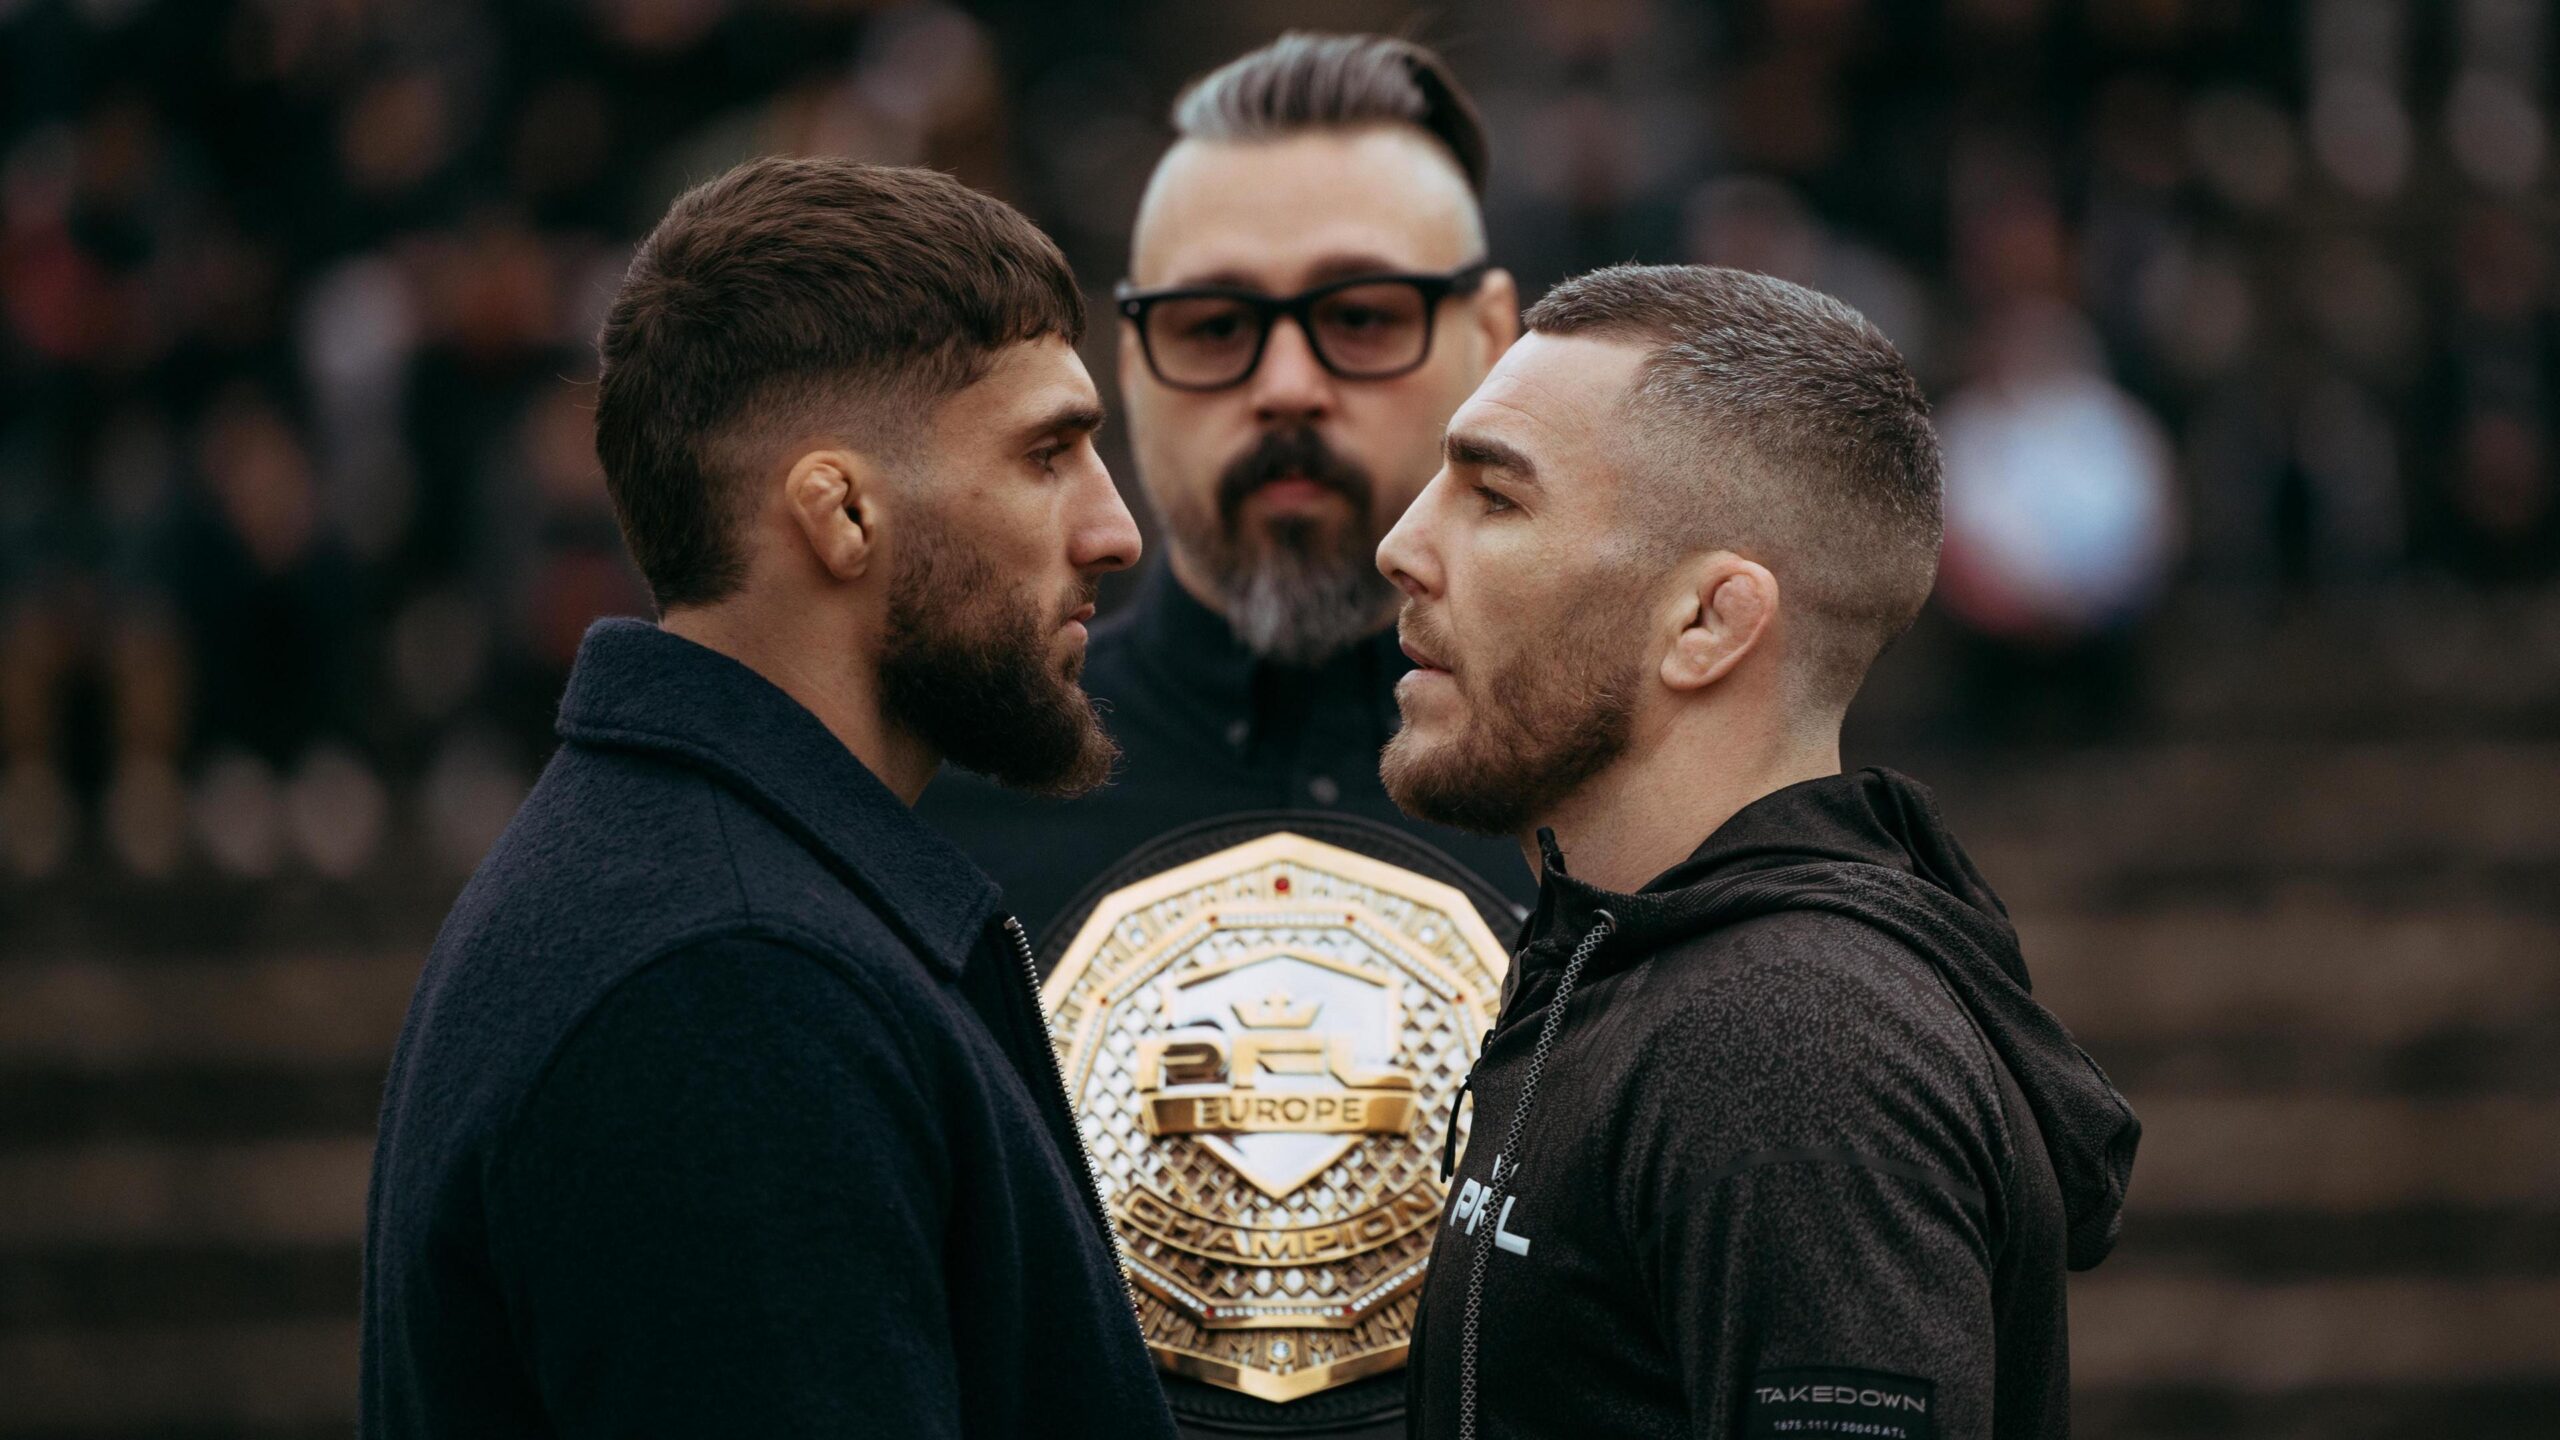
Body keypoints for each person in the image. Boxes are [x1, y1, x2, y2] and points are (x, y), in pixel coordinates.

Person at [361, 157, 1177, 1440]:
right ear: (842, 511)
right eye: (1047, 454)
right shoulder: (731, 988)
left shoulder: (703, 901)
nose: (1114, 528)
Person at [1380, 265, 2141, 1439]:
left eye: (1493, 498)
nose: (1400, 544)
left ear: (1707, 623)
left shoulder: (1794, 1042)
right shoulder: (1638, 970)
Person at [920, 32, 1530, 935]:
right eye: (1212, 326)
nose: (1286, 388)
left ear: (1493, 337)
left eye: (1361, 316)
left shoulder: (1624, 803)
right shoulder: (927, 809)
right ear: (1128, 367)